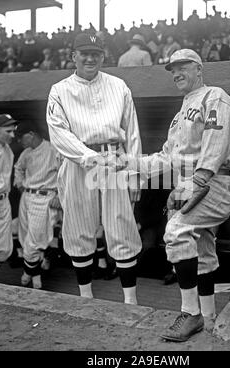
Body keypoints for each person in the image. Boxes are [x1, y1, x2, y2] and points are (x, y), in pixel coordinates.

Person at [122, 49, 230, 341]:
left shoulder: (215, 96)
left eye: (183, 66)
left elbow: (217, 141)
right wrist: (130, 162)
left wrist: (198, 179)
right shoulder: (178, 116)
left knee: (176, 231)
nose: (177, 73)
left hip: (211, 181)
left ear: (199, 68)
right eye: (172, 69)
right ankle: (210, 318)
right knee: (202, 250)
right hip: (190, 182)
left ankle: (191, 313)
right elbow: (166, 158)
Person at [46, 33, 142, 304]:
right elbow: (59, 133)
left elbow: (132, 133)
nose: (90, 58)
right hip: (78, 163)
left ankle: (130, 301)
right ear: (73, 55)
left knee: (122, 227)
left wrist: (135, 174)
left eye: (96, 53)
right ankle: (86, 297)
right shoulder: (59, 89)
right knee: (78, 228)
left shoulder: (119, 85)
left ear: (103, 56)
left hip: (115, 159)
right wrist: (89, 157)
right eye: (84, 53)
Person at [14, 121, 61, 289]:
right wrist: (19, 184)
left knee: (34, 242)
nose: (19, 141)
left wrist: (59, 195)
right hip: (26, 196)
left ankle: (29, 273)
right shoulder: (26, 153)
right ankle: (36, 276)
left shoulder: (53, 149)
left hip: (44, 198)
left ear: (31, 134)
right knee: (25, 236)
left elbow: (65, 174)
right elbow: (18, 168)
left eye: (21, 137)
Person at [0, 114, 17, 281]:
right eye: (9, 131)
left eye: (14, 131)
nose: (13, 136)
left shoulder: (7, 148)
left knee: (4, 249)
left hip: (3, 201)